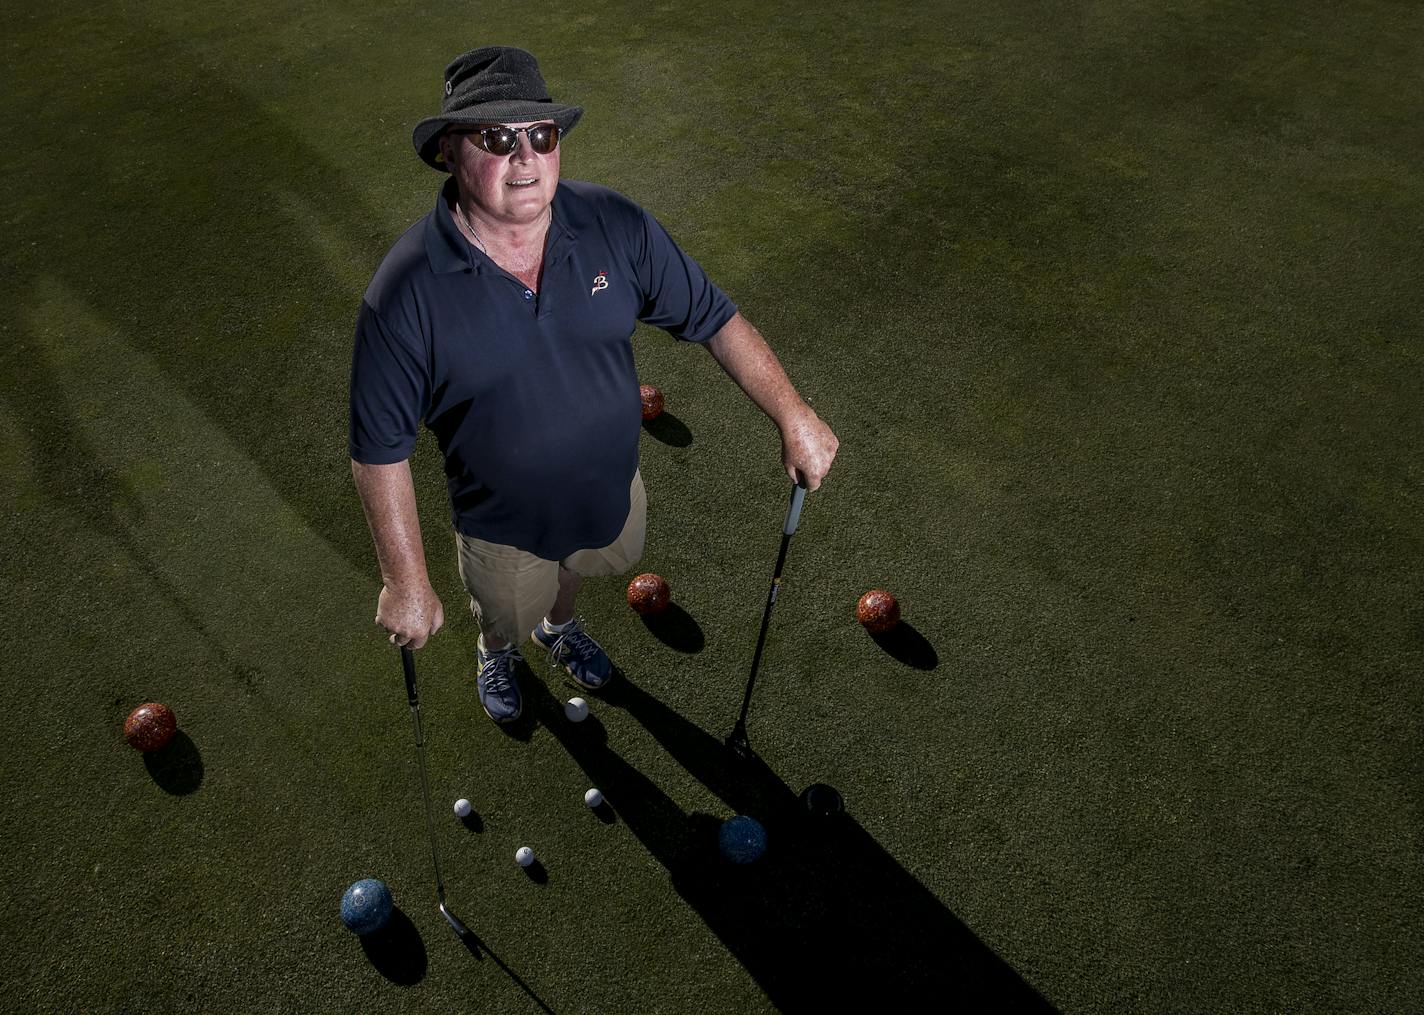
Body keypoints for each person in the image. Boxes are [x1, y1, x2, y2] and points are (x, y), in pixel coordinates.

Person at [349, 46, 838, 726]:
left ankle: (558, 626)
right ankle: (500, 652)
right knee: (504, 611)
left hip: (607, 482)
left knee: (578, 566)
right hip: (502, 523)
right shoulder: (404, 296)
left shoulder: (614, 225)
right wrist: (405, 580)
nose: (525, 157)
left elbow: (714, 317)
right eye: (496, 137)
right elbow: (380, 449)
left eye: (540, 136)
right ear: (448, 154)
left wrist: (794, 412)